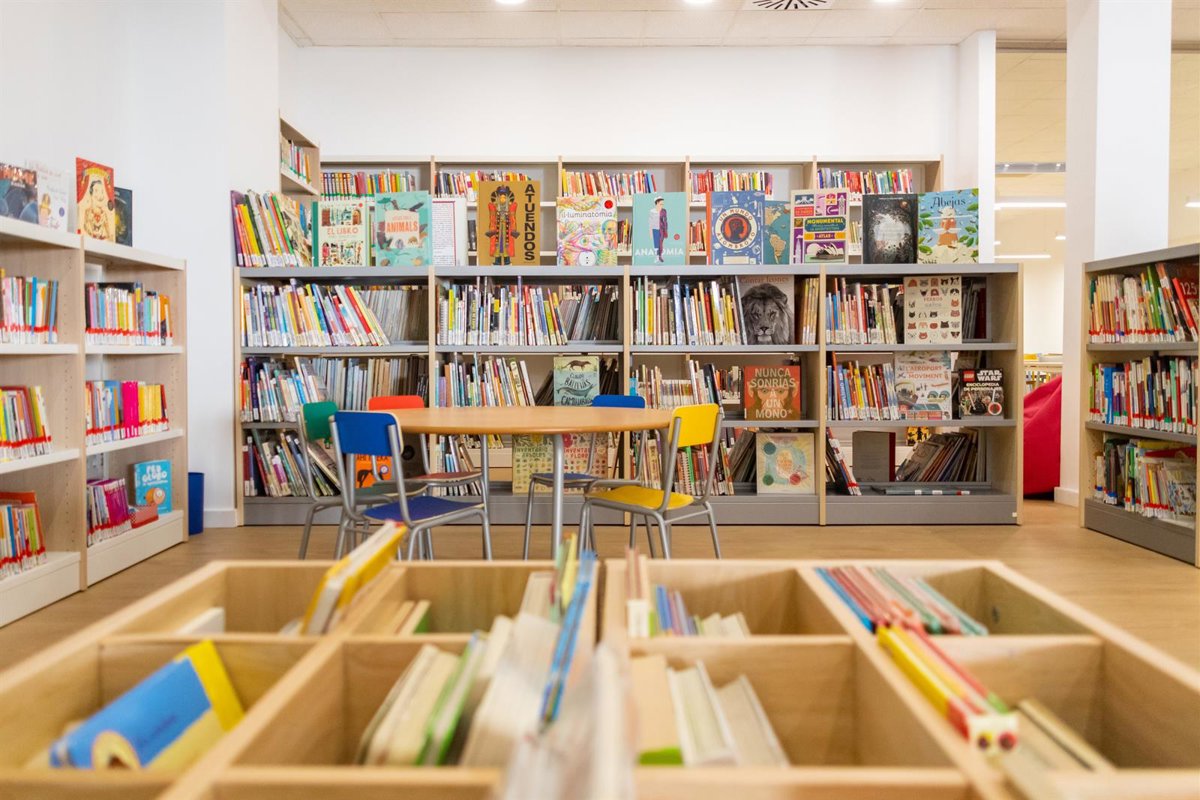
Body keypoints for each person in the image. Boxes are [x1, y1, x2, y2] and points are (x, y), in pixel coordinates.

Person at [649, 196, 668, 263]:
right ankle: (657, 256)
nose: (662, 205)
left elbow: (665, 221)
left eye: (663, 204)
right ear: (657, 203)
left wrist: (666, 230)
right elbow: (650, 222)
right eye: (660, 204)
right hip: (655, 229)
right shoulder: (652, 211)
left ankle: (660, 255)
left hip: (662, 229)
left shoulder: (664, 211)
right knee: (656, 243)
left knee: (661, 243)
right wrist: (650, 231)